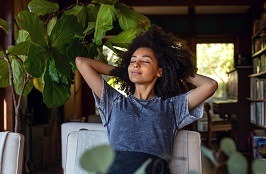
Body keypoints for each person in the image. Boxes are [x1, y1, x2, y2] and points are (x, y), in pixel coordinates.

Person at [75, 25, 218, 174]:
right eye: (133, 61)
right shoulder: (114, 101)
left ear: (159, 71)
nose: (136, 64)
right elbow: (81, 63)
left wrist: (175, 70)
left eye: (145, 61)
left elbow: (210, 85)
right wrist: (123, 71)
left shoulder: (172, 107)